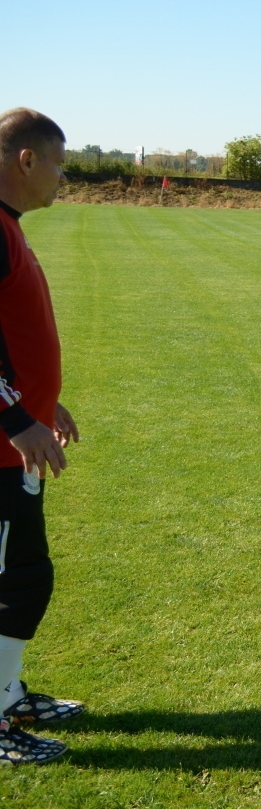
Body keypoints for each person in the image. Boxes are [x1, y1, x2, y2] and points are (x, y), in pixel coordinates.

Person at [0, 108, 86, 766]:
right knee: (17, 583)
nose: (64, 175)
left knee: (23, 576)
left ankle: (9, 695)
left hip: (16, 445)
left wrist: (45, 404)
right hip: (1, 449)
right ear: (25, 161)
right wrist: (16, 418)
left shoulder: (8, 227)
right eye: (57, 162)